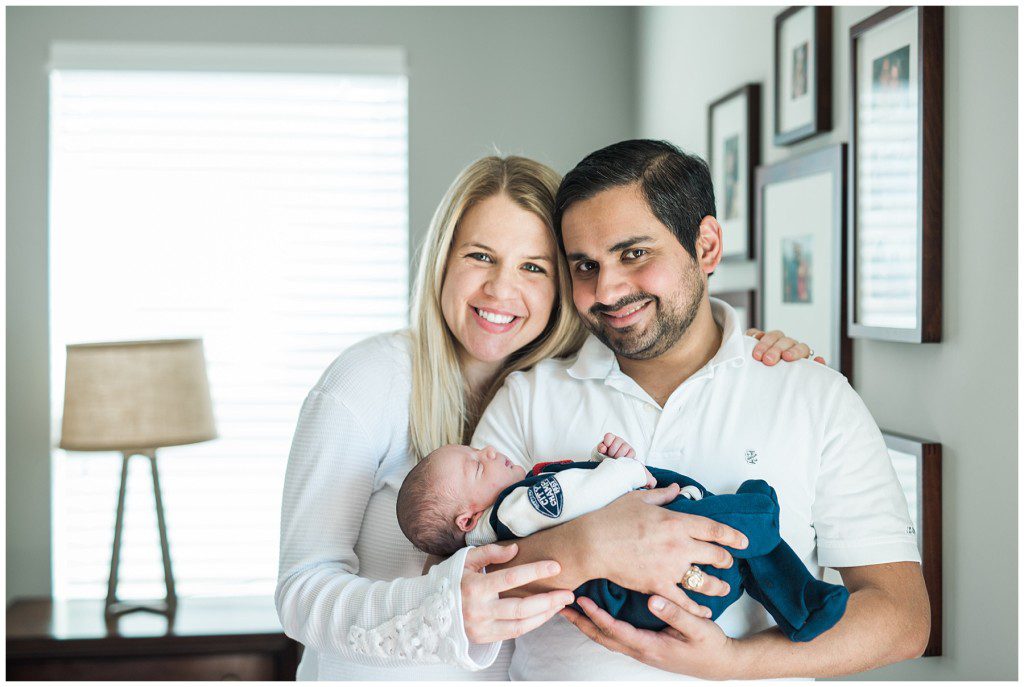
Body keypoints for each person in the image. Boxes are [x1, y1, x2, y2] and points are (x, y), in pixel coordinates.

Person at [275, 154, 817, 680]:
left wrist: (748, 354)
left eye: (533, 267)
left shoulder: (559, 388)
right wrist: (442, 612)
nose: (501, 289)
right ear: (442, 259)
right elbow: (300, 591)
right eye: (480, 256)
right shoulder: (370, 380)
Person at [471, 140, 930, 680]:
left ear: (706, 246)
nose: (607, 289)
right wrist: (590, 546)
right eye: (585, 265)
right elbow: (455, 587)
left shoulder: (814, 396)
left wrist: (733, 662)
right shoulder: (527, 398)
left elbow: (902, 619)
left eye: (634, 254)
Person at [395, 435, 848, 642]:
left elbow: (570, 499)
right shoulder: (512, 506)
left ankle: (802, 606)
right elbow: (578, 497)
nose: (490, 451)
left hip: (660, 603)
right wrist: (624, 472)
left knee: (750, 560)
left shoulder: (512, 517)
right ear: (469, 519)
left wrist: (599, 462)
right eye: (477, 464)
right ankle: (760, 513)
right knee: (733, 519)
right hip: (658, 583)